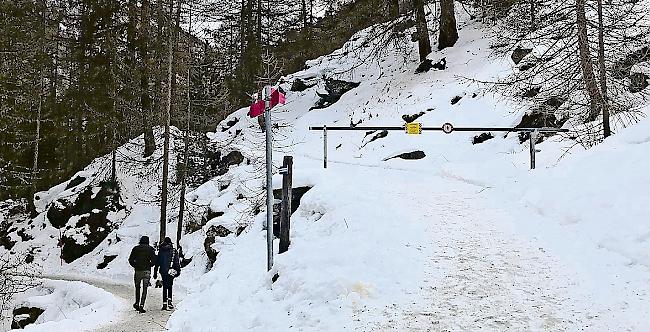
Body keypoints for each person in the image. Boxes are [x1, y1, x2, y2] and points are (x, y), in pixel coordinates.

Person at [128, 236, 156, 313]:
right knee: (145, 289)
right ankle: (142, 305)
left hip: (138, 271)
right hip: (146, 271)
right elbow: (154, 260)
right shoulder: (150, 249)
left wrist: (135, 265)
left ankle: (137, 302)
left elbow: (130, 259)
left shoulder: (135, 248)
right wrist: (150, 265)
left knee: (137, 287)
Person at [154, 237, 180, 310]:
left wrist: (155, 272)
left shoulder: (161, 251)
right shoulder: (174, 251)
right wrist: (178, 271)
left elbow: (157, 262)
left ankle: (164, 303)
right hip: (171, 271)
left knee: (165, 286)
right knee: (170, 286)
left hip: (163, 271)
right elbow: (176, 262)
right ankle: (170, 301)